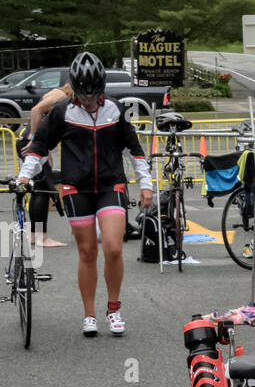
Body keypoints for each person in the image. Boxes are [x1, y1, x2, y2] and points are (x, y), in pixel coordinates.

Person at [16, 52, 153, 336]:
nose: (88, 101)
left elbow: (134, 150)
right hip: (75, 187)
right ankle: (89, 314)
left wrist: (146, 184)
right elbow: (40, 146)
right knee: (87, 252)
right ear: (73, 88)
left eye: (93, 95)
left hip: (110, 185)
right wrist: (25, 175)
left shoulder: (114, 109)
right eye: (82, 95)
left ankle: (113, 309)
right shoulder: (62, 111)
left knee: (114, 248)